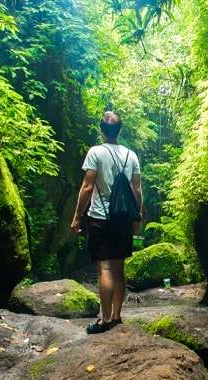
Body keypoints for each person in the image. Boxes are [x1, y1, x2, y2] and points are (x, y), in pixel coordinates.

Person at [71, 111, 143, 334]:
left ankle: (104, 320)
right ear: (119, 131)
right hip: (123, 219)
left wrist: (76, 217)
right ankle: (117, 316)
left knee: (105, 268)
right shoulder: (131, 155)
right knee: (119, 269)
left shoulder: (96, 152)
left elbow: (87, 187)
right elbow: (137, 190)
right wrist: (137, 216)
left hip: (100, 217)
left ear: (101, 130)